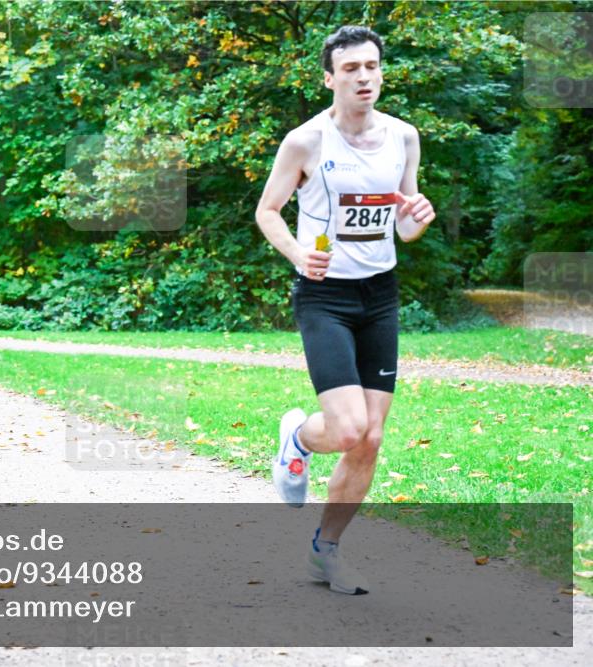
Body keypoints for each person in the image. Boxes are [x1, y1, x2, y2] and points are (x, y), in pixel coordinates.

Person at [254, 25, 436, 594]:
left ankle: (325, 551)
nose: (364, 77)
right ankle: (298, 439)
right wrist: (296, 252)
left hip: (379, 296)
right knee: (349, 427)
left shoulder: (404, 137)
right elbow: (268, 210)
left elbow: (402, 224)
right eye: (351, 68)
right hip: (324, 296)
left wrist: (417, 217)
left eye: (372, 66)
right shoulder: (305, 142)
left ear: (382, 72)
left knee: (371, 438)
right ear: (330, 78)